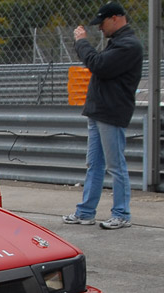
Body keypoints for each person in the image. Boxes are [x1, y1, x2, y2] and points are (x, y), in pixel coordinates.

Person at [62, 2, 142, 230]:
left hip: (111, 113)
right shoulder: (117, 43)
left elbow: (98, 65)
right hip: (98, 111)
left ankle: (122, 214)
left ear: (116, 18)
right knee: (94, 165)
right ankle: (86, 212)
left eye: (103, 22)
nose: (100, 28)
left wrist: (81, 42)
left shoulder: (128, 45)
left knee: (116, 165)